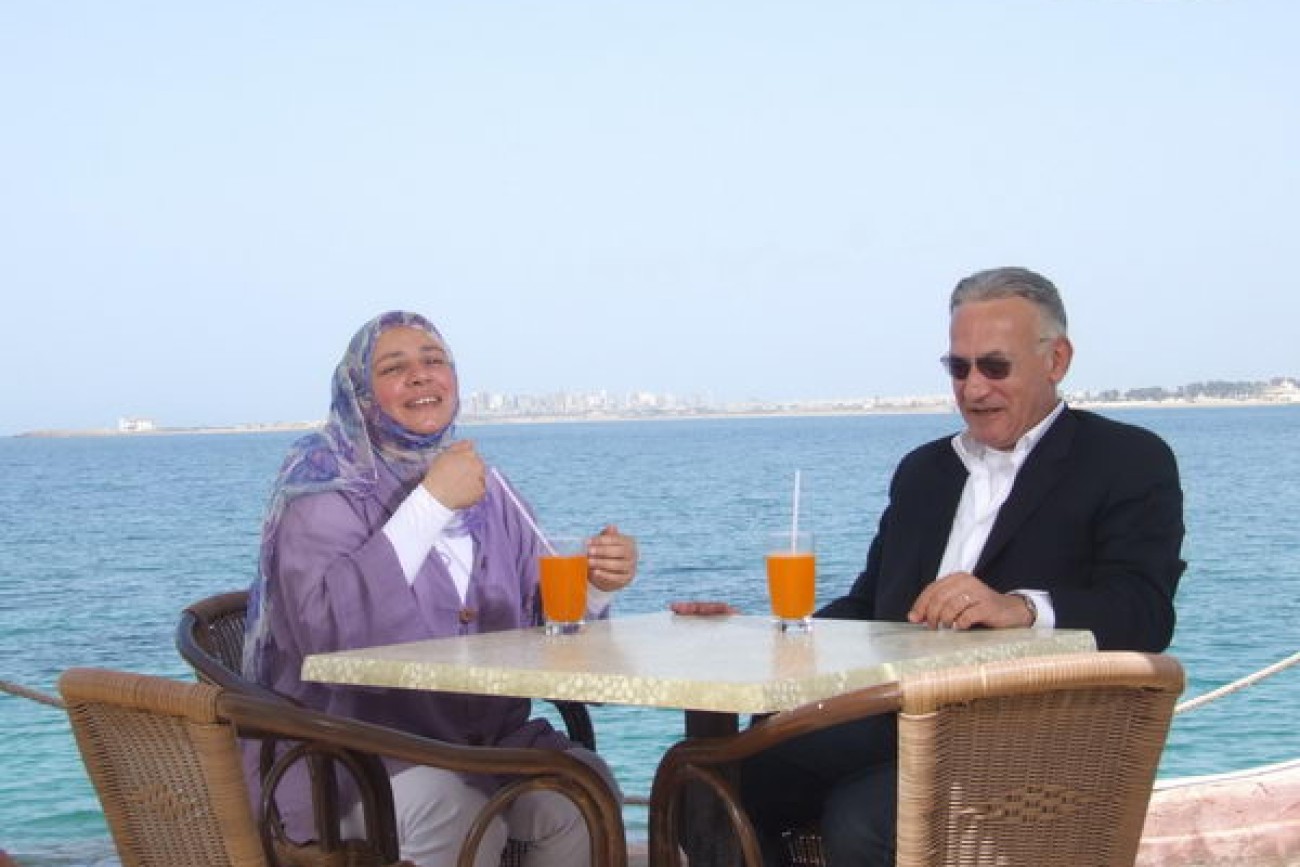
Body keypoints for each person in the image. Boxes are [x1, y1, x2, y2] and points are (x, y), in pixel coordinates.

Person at [734, 266, 1186, 866]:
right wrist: (769, 634)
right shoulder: (924, 472)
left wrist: (1020, 608)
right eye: (959, 367)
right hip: (897, 720)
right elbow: (870, 606)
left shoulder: (1126, 460)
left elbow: (1145, 613)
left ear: (1056, 360)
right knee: (718, 782)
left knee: (861, 818)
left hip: (1030, 741)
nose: (973, 388)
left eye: (995, 367)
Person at [243, 310, 638, 867]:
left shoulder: (490, 490)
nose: (421, 375)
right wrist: (429, 505)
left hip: (483, 743)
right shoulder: (322, 488)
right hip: (351, 752)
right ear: (360, 393)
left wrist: (595, 587)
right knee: (452, 809)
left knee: (581, 789)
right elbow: (323, 639)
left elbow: (542, 626)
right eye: (393, 367)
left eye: (435, 361)